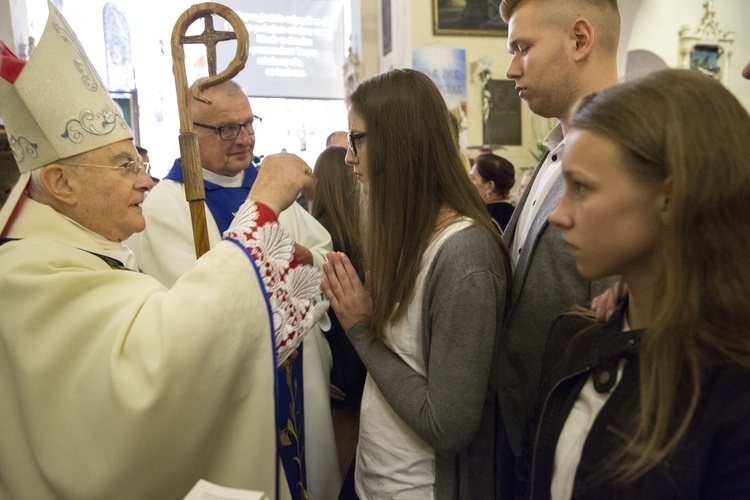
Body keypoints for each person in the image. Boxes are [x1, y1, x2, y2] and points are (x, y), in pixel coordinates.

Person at [0, 4, 324, 498]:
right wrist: (259, 214)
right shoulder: (28, 274)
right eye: (124, 165)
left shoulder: (75, 253)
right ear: (60, 182)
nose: (145, 179)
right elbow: (165, 360)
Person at [519, 68, 750, 498]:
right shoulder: (573, 340)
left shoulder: (730, 391)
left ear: (670, 197)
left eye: (582, 188)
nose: (558, 214)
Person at [127, 79, 340, 500]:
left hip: (297, 373)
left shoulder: (271, 189)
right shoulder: (164, 206)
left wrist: (303, 260)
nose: (244, 139)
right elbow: (189, 302)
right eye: (227, 129)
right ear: (190, 134)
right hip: (229, 385)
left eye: (248, 123)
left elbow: (322, 253)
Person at [322, 68, 511, 499]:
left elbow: (447, 426)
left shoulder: (466, 259)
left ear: (398, 144)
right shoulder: (412, 239)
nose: (349, 158)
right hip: (372, 480)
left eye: (356, 140)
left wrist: (361, 332)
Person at [495, 0, 620, 491]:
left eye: (523, 48)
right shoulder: (554, 153)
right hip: (520, 424)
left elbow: (615, 324)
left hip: (576, 439)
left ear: (579, 39)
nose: (511, 68)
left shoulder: (623, 158)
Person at [309, 145, 366, 479]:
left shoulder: (319, 232)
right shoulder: (363, 226)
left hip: (335, 350)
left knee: (341, 439)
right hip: (361, 343)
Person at [469, 152, 516, 230]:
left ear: (489, 186)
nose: (468, 183)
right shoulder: (515, 213)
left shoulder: (484, 221)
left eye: (472, 178)